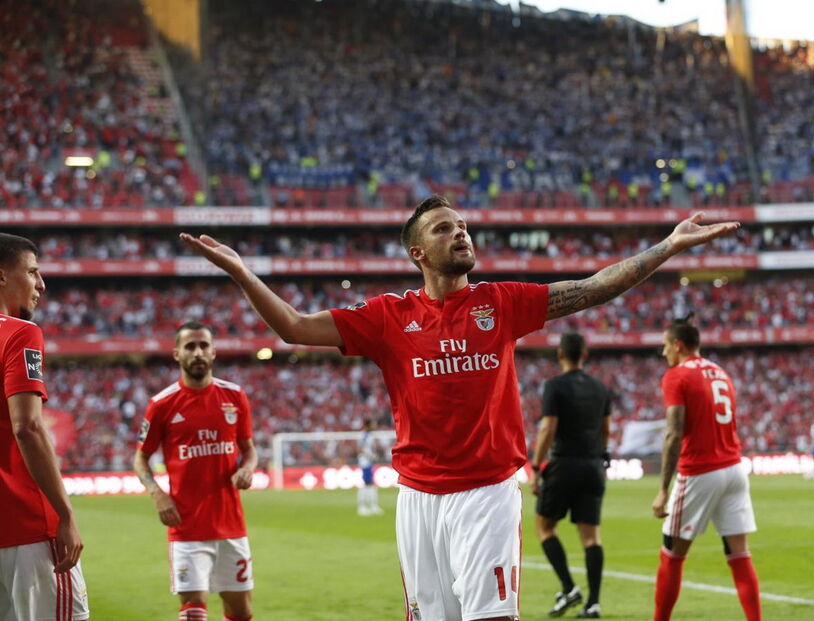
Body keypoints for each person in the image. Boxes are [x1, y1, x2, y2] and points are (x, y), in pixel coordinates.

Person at [181, 194, 738, 621]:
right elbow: (294, 327)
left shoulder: (502, 302)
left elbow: (592, 287)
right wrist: (242, 273)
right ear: (418, 252)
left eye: (463, 225)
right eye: (444, 228)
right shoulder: (387, 317)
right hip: (418, 498)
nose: (461, 233)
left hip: (486, 491)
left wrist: (666, 247)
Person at [134, 322, 258, 621]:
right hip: (187, 528)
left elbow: (250, 450)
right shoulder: (161, 405)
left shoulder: (235, 396)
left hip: (231, 526)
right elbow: (140, 460)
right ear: (177, 354)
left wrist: (248, 468)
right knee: (193, 613)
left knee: (241, 613)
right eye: (190, 346)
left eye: (204, 346)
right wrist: (157, 494)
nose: (198, 352)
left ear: (214, 352)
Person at [0, 233, 90, 620]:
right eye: (33, 272)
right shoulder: (20, 332)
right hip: (28, 527)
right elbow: (29, 428)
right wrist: (66, 515)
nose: (41, 284)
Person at [651, 316, 761, 621]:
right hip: (735, 469)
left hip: (700, 471)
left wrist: (662, 490)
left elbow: (674, 432)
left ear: (678, 344)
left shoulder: (677, 375)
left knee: (672, 553)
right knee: (739, 555)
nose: (663, 354)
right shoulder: (720, 372)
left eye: (664, 346)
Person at [529, 333, 611, 619]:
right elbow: (605, 427)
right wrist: (603, 453)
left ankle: (568, 587)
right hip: (593, 466)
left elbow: (548, 428)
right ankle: (594, 603)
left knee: (545, 527)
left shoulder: (555, 386)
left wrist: (537, 466)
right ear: (584, 355)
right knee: (591, 538)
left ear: (560, 355)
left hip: (564, 465)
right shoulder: (601, 387)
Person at [357, 418, 384, 516]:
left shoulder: (369, 436)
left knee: (369, 483)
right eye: (372, 425)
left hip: (369, 462)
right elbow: (360, 449)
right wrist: (370, 455)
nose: (374, 426)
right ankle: (363, 506)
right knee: (368, 483)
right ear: (368, 425)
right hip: (365, 462)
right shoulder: (363, 436)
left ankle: (371, 506)